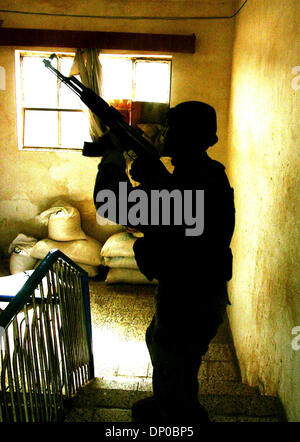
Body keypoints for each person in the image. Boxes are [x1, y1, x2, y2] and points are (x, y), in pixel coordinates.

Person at [93, 101, 235, 423]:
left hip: (191, 300)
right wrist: (154, 176)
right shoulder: (203, 175)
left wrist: (114, 156)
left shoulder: (192, 183)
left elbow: (111, 204)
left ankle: (179, 420)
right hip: (191, 294)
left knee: (175, 372)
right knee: (167, 355)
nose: (164, 133)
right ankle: (169, 407)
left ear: (186, 136)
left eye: (171, 127)